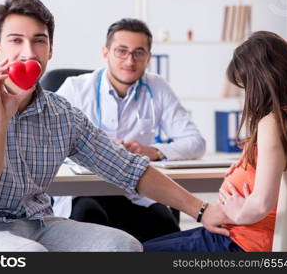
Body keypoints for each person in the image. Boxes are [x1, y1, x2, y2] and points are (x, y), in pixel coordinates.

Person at [0, 0, 227, 252]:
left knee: (123, 247)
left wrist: (202, 210)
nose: (29, 53)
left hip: (39, 222)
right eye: (16, 41)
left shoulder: (61, 114)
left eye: (39, 41)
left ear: (50, 50)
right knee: (28, 254)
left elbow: (128, 169)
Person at [143, 31, 287, 252]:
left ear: (261, 82)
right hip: (244, 236)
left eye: (245, 86)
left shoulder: (272, 123)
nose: (246, 96)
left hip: (241, 241)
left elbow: (262, 203)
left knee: (133, 251)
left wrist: (237, 213)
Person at [53, 18, 206, 242]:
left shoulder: (157, 87)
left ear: (148, 58)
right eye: (121, 51)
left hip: (135, 191)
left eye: (138, 53)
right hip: (85, 190)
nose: (130, 60)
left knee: (166, 227)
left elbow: (196, 142)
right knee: (88, 218)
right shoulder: (75, 88)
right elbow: (49, 142)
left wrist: (153, 151)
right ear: (105, 53)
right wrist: (99, 149)